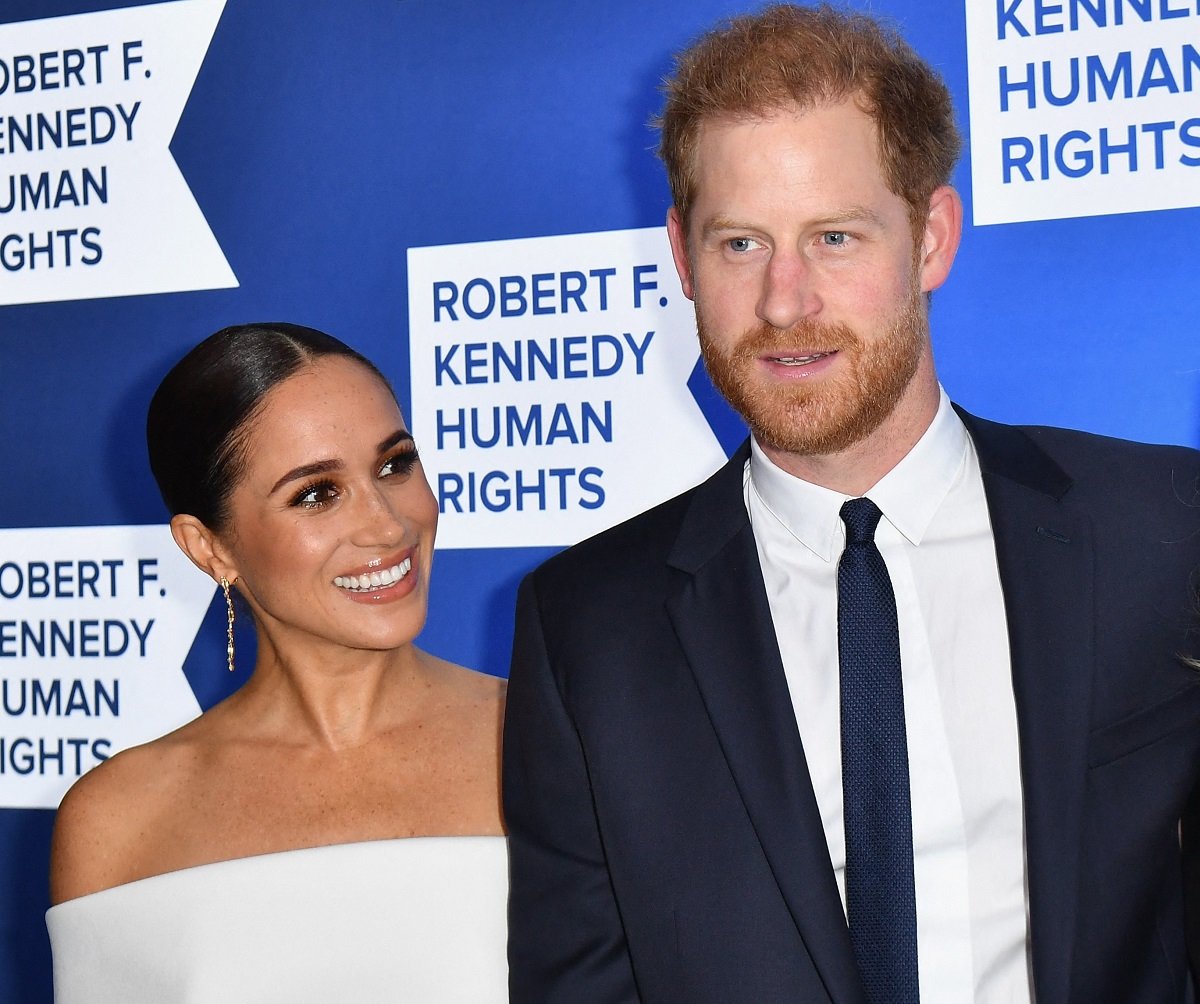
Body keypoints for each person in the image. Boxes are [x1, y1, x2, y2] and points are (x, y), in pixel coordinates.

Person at [503, 5, 1200, 1002]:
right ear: (679, 254)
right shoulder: (588, 626)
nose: (786, 301)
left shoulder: (1162, 529)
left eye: (835, 235)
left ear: (931, 237)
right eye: (740, 243)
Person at [46, 323, 507, 1002]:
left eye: (394, 464)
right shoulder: (118, 819)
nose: (387, 524)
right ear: (210, 550)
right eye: (316, 493)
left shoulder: (559, 742)